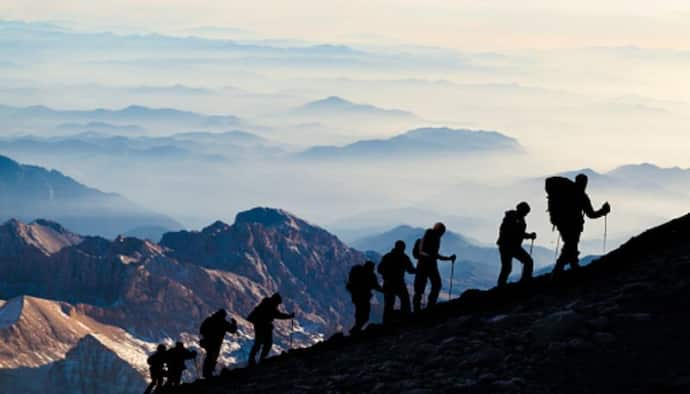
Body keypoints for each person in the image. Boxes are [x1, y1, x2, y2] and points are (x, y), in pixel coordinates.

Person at [546, 173, 611, 276]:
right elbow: (591, 214)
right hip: (574, 225)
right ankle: (558, 270)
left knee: (571, 245)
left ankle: (572, 266)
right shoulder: (582, 196)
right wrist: (604, 211)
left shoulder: (566, 192)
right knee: (570, 245)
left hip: (562, 224)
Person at [412, 222, 456, 312]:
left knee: (421, 288)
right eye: (442, 232)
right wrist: (445, 258)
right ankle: (429, 306)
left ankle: (421, 308)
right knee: (434, 285)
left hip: (424, 265)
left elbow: (431, 253)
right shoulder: (432, 235)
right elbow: (428, 252)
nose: (442, 234)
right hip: (427, 265)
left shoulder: (433, 235)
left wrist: (447, 258)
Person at [247, 293, 294, 366]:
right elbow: (278, 315)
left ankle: (255, 359)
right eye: (277, 303)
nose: (277, 305)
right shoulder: (269, 306)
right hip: (262, 326)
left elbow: (276, 314)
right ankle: (259, 360)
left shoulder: (267, 304)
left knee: (261, 343)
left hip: (262, 326)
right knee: (263, 343)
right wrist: (289, 316)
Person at [497, 202, 537, 287]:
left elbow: (517, 232)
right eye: (526, 212)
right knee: (527, 262)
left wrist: (528, 235)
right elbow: (516, 233)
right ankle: (525, 281)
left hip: (507, 246)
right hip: (509, 246)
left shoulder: (513, 218)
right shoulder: (514, 218)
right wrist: (529, 236)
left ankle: (501, 286)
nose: (526, 214)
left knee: (507, 268)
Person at [378, 240, 416, 324]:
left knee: (388, 305)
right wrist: (418, 270)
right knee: (405, 300)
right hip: (399, 283)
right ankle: (405, 319)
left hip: (388, 283)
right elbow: (410, 270)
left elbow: (379, 269)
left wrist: (387, 274)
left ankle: (386, 323)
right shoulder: (404, 257)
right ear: (403, 248)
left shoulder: (387, 256)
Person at [346, 261, 383, 334]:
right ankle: (356, 330)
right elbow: (376, 286)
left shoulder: (357, 271)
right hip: (364, 298)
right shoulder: (370, 275)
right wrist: (384, 290)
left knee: (360, 313)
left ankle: (356, 329)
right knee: (364, 314)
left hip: (357, 297)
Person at [199, 309, 238, 379]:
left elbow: (201, 330)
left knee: (209, 356)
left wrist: (205, 338)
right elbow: (232, 330)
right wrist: (234, 324)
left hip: (207, 342)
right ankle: (208, 373)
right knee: (212, 357)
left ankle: (206, 373)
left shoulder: (209, 320)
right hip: (216, 343)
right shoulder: (222, 322)